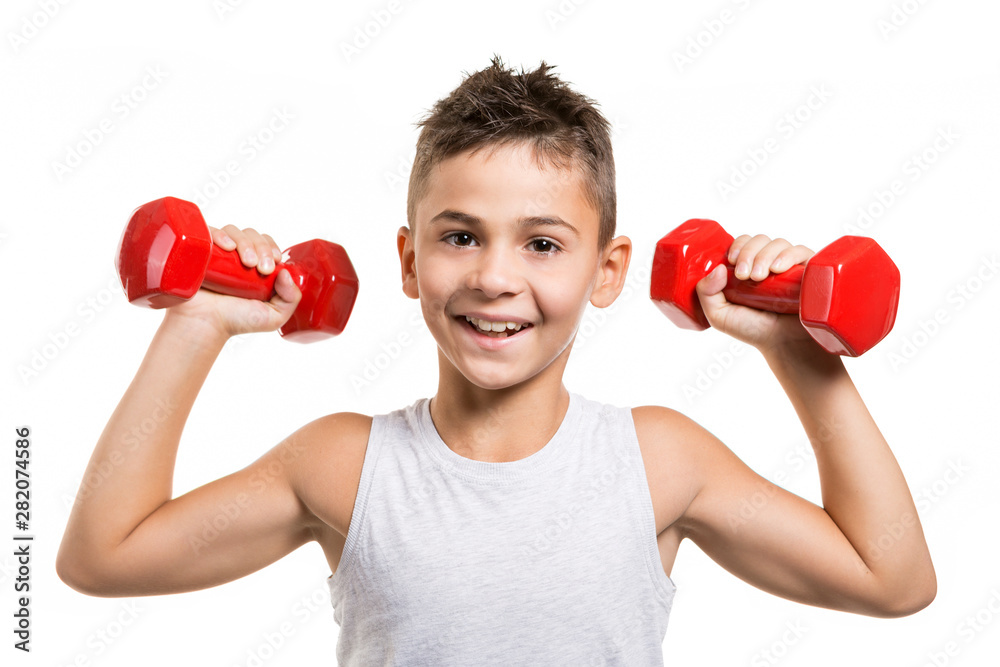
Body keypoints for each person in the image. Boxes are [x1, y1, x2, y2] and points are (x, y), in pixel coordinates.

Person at [57, 57, 936, 665]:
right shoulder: (343, 463)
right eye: (461, 235)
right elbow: (103, 556)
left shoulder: (661, 460)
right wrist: (196, 321)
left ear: (609, 271)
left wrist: (799, 346)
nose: (493, 277)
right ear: (409, 261)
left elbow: (891, 577)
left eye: (543, 243)